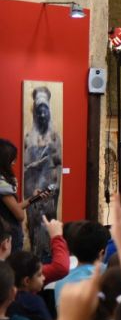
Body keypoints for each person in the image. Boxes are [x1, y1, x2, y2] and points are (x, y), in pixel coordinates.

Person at [22, 87, 63, 260]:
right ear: (35, 114)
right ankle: (35, 257)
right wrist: (34, 163)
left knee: (48, 223)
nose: (43, 115)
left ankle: (47, 257)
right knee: (34, 224)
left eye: (45, 110)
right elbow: (25, 165)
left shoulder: (54, 136)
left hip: (49, 187)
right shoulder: (28, 137)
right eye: (39, 111)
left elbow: (59, 162)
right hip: (32, 188)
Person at [0, 139, 49, 252]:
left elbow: (12, 208)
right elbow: (20, 215)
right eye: (12, 158)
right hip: (8, 237)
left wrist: (33, 199)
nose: (14, 162)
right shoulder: (2, 185)